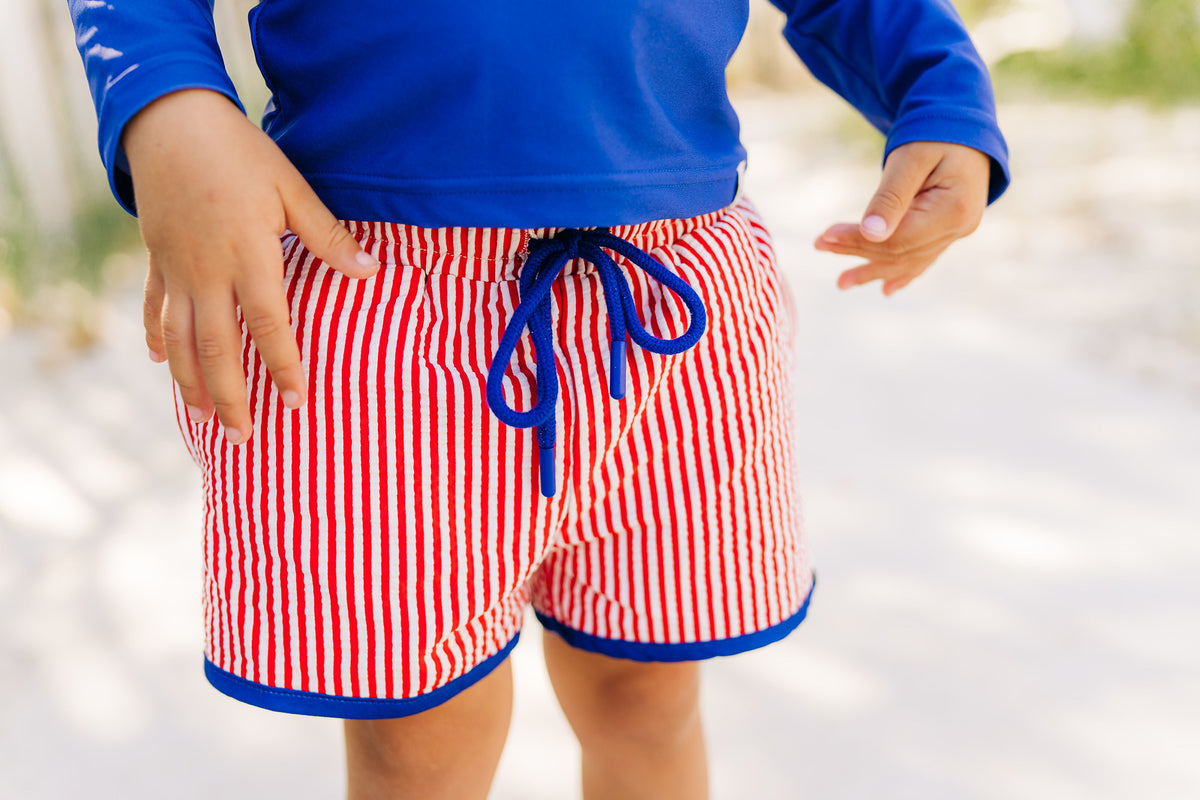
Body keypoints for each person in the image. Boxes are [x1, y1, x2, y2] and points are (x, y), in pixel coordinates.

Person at [68, 1, 1009, 798]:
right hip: (372, 299)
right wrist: (164, 100)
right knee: (418, 744)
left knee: (646, 696)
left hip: (669, 296)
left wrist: (940, 89)